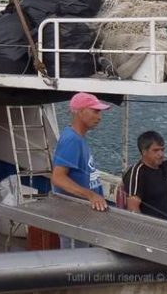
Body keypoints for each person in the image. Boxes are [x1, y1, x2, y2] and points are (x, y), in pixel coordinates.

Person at [52, 92, 111, 248]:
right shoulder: (71, 140)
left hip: (83, 218)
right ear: (80, 111)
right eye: (95, 111)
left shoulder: (79, 138)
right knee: (75, 265)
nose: (99, 117)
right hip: (73, 219)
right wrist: (91, 195)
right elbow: (58, 177)